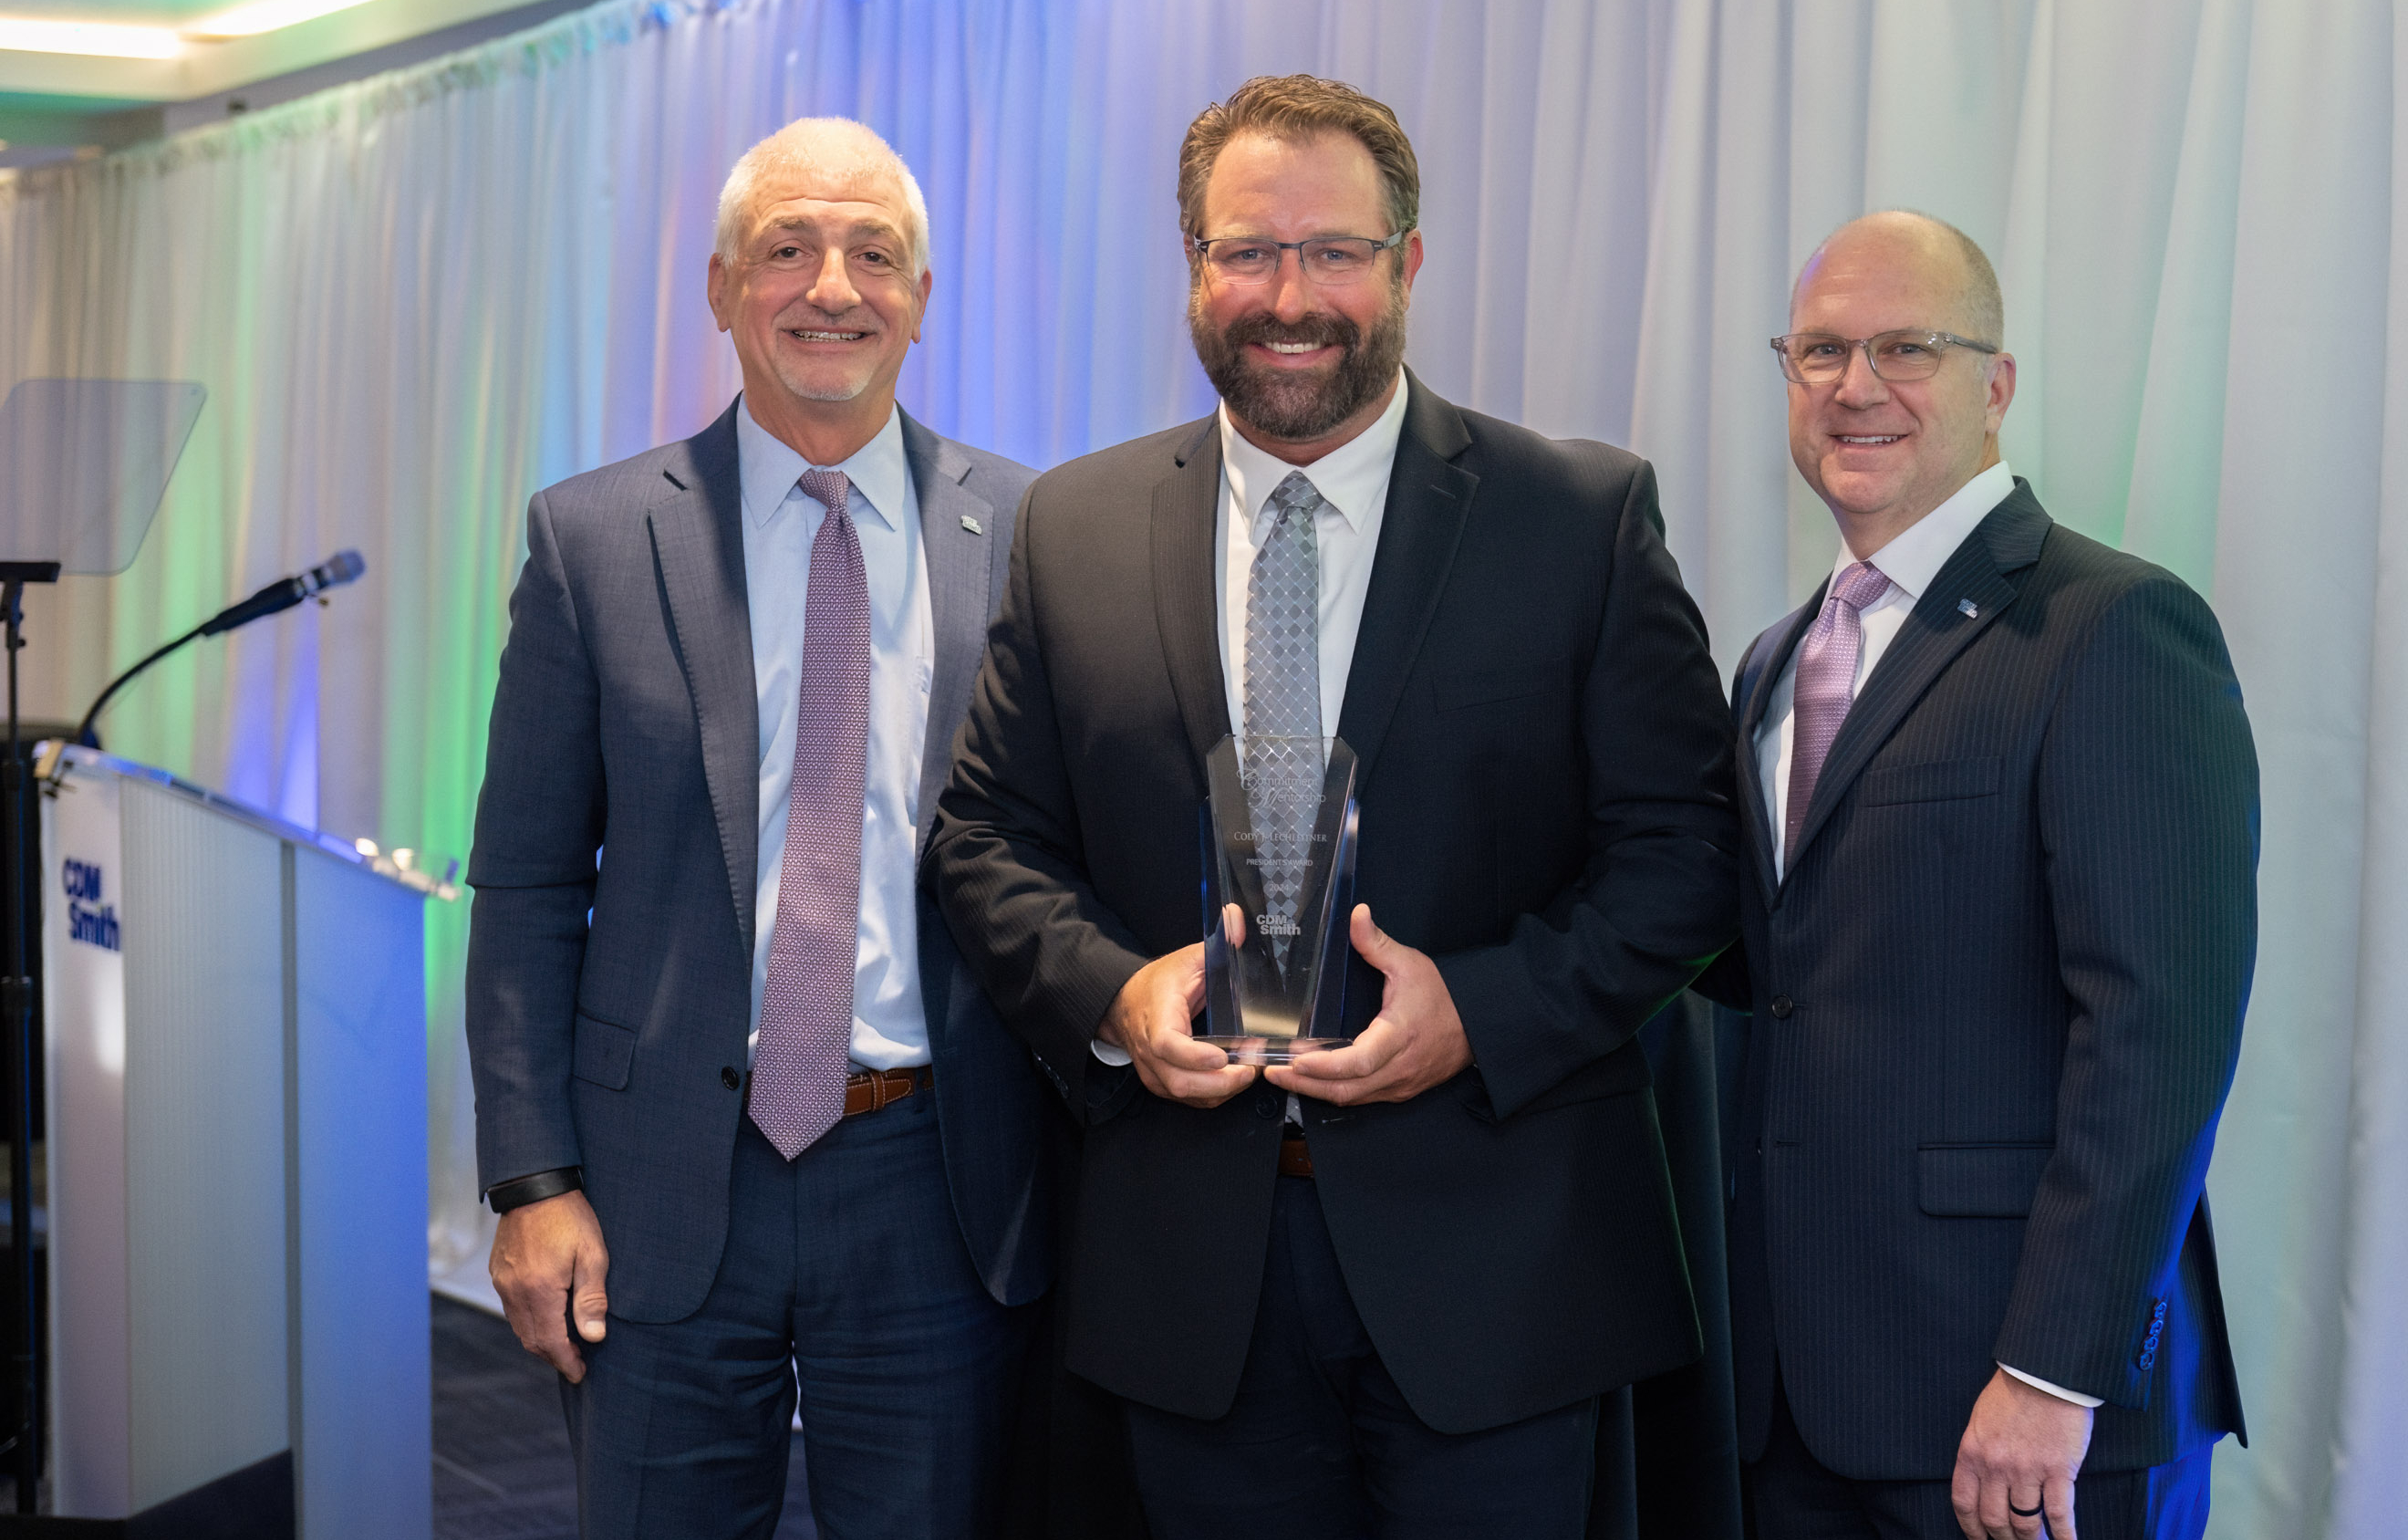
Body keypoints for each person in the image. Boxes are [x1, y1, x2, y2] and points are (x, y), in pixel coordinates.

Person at [929, 75, 1737, 1540]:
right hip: (1191, 1279)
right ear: (1193, 266)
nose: (1290, 297)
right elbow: (986, 840)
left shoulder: (1578, 520)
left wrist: (1481, 1011)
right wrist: (1116, 996)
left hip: (1500, 1275)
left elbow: (1687, 855)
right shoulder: (1074, 528)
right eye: (1247, 250)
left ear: (1407, 262)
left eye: (1334, 252)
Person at [464, 118, 1049, 1538]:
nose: (831, 287)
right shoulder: (593, 540)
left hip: (938, 1184)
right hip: (656, 1182)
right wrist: (532, 1181)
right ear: (723, 288)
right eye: (787, 248)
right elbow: (528, 885)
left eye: (873, 255)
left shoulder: (1034, 534)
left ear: (921, 298)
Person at [1710, 212, 2255, 1540]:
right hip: (1788, 1399)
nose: (1856, 386)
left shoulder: (2114, 626)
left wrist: (2053, 1371)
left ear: (1995, 384)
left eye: (1907, 348)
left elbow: (2159, 1033)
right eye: (1820, 351)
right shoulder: (1774, 661)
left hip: (2020, 1410)